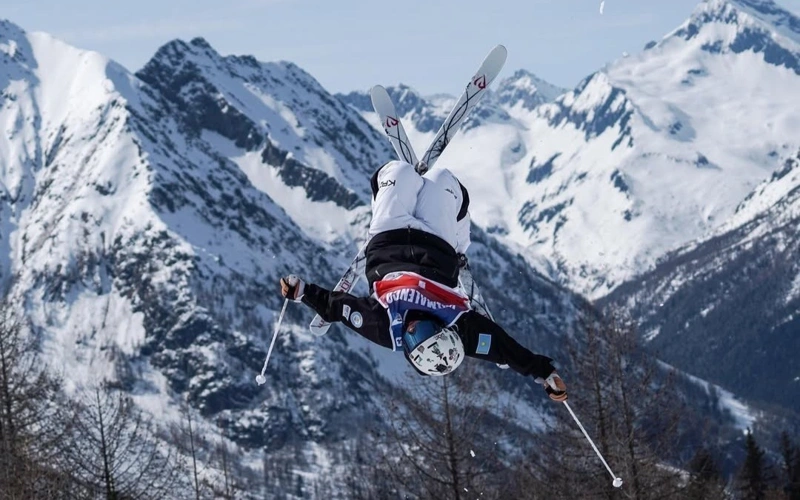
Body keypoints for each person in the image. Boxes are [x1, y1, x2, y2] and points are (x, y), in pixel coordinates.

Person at [279, 160, 567, 402]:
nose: (414, 328)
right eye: (426, 331)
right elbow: (505, 349)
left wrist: (301, 292)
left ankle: (403, 185)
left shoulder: (385, 328)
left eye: (413, 339)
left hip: (387, 238)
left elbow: (337, 308)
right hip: (437, 242)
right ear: (442, 329)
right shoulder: (461, 330)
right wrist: (545, 374)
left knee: (395, 172)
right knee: (445, 181)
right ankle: (458, 240)